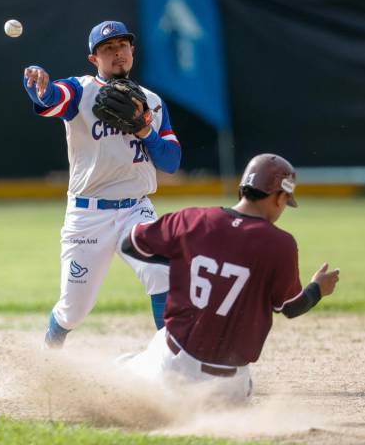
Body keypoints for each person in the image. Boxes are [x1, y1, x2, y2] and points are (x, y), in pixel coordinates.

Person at [119, 153, 340, 401]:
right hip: (230, 387)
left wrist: (186, 259)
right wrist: (318, 289)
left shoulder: (192, 220)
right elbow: (291, 307)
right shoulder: (281, 244)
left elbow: (130, 244)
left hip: (172, 368)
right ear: (279, 197)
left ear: (242, 188)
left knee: (120, 367)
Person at [22, 20, 182, 348]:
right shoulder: (80, 91)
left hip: (136, 210)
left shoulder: (151, 101)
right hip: (87, 216)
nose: (117, 53)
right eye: (107, 49)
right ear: (94, 59)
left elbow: (171, 160)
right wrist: (39, 83)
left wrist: (145, 131)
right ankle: (48, 359)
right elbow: (52, 98)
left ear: (132, 51)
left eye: (122, 46)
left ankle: (175, 361)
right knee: (73, 311)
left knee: (162, 274)